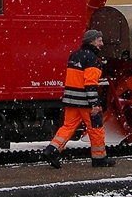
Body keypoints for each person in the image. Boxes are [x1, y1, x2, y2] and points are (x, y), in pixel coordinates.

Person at [45, 29, 114, 168]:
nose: (101, 43)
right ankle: (99, 158)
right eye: (99, 40)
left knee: (68, 127)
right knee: (96, 129)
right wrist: (94, 103)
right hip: (85, 102)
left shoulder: (74, 55)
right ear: (91, 41)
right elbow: (90, 84)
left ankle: (52, 150)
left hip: (71, 100)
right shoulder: (92, 59)